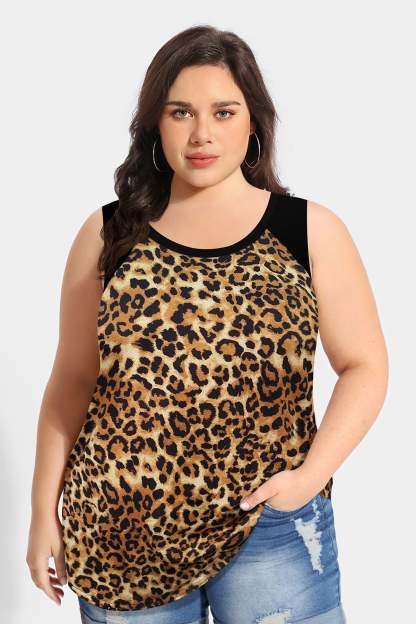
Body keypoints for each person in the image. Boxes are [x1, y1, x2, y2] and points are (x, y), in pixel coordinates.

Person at [26, 24, 388, 624]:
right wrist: (44, 512)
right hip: (121, 536)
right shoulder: (109, 234)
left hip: (269, 522)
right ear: (155, 124)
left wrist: (309, 478)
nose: (202, 134)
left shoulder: (307, 231)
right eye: (181, 112)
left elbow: (366, 366)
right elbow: (71, 381)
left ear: (253, 122)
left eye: (223, 112)